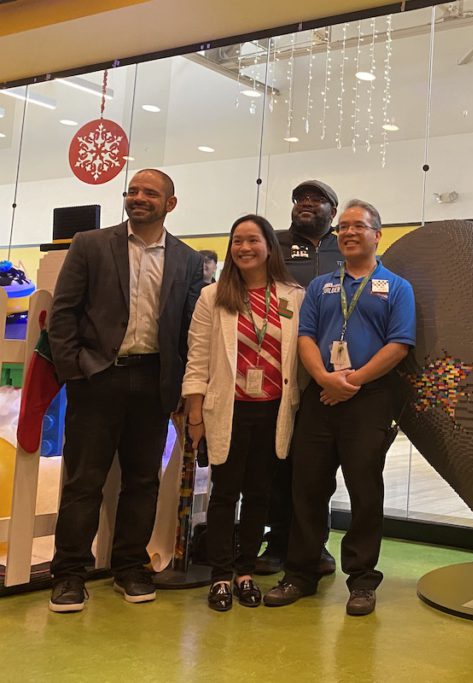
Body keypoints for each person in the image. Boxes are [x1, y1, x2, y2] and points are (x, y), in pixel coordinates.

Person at [47, 168, 204, 612]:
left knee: (141, 481)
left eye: (149, 193)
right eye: (132, 191)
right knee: (83, 482)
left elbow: (190, 326)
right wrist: (75, 370)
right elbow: (63, 314)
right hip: (98, 377)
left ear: (169, 204)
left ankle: (130, 567)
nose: (138, 198)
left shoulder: (188, 260)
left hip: (153, 381)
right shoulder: (91, 244)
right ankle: (70, 575)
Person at [263, 199, 414, 615]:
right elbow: (305, 338)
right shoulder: (320, 287)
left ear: (377, 235)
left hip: (370, 401)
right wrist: (327, 379)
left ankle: (362, 582)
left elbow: (399, 345)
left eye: (358, 227)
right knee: (307, 488)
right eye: (343, 227)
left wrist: (353, 381)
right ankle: (301, 573)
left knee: (366, 493)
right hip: (321, 398)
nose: (348, 233)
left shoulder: (396, 288)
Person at [182, 215, 305, 612]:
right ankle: (220, 576)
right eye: (237, 241)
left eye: (253, 240)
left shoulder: (292, 296)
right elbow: (197, 358)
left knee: (258, 495)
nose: (245, 248)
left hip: (273, 411)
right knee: (224, 494)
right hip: (227, 411)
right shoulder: (213, 296)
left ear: (269, 246)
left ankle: (245, 571)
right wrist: (195, 413)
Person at [257, 179, 343, 576]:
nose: (305, 204)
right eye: (299, 199)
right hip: (280, 366)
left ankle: (316, 546)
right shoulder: (272, 242)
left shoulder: (346, 245)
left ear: (333, 210)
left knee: (318, 467)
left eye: (316, 199)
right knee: (279, 461)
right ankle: (276, 545)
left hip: (331, 373)